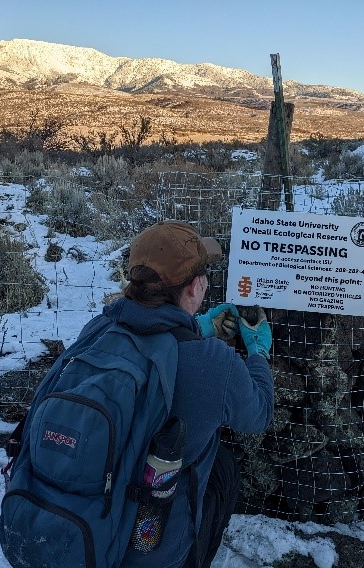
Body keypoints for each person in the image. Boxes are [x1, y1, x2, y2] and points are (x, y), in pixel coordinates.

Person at [96, 220, 274, 568]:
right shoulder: (212, 362)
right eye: (204, 275)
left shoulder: (99, 328)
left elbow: (150, 330)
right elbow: (260, 413)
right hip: (149, 545)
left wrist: (198, 324)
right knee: (222, 466)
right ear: (194, 287)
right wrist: (258, 353)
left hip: (85, 517)